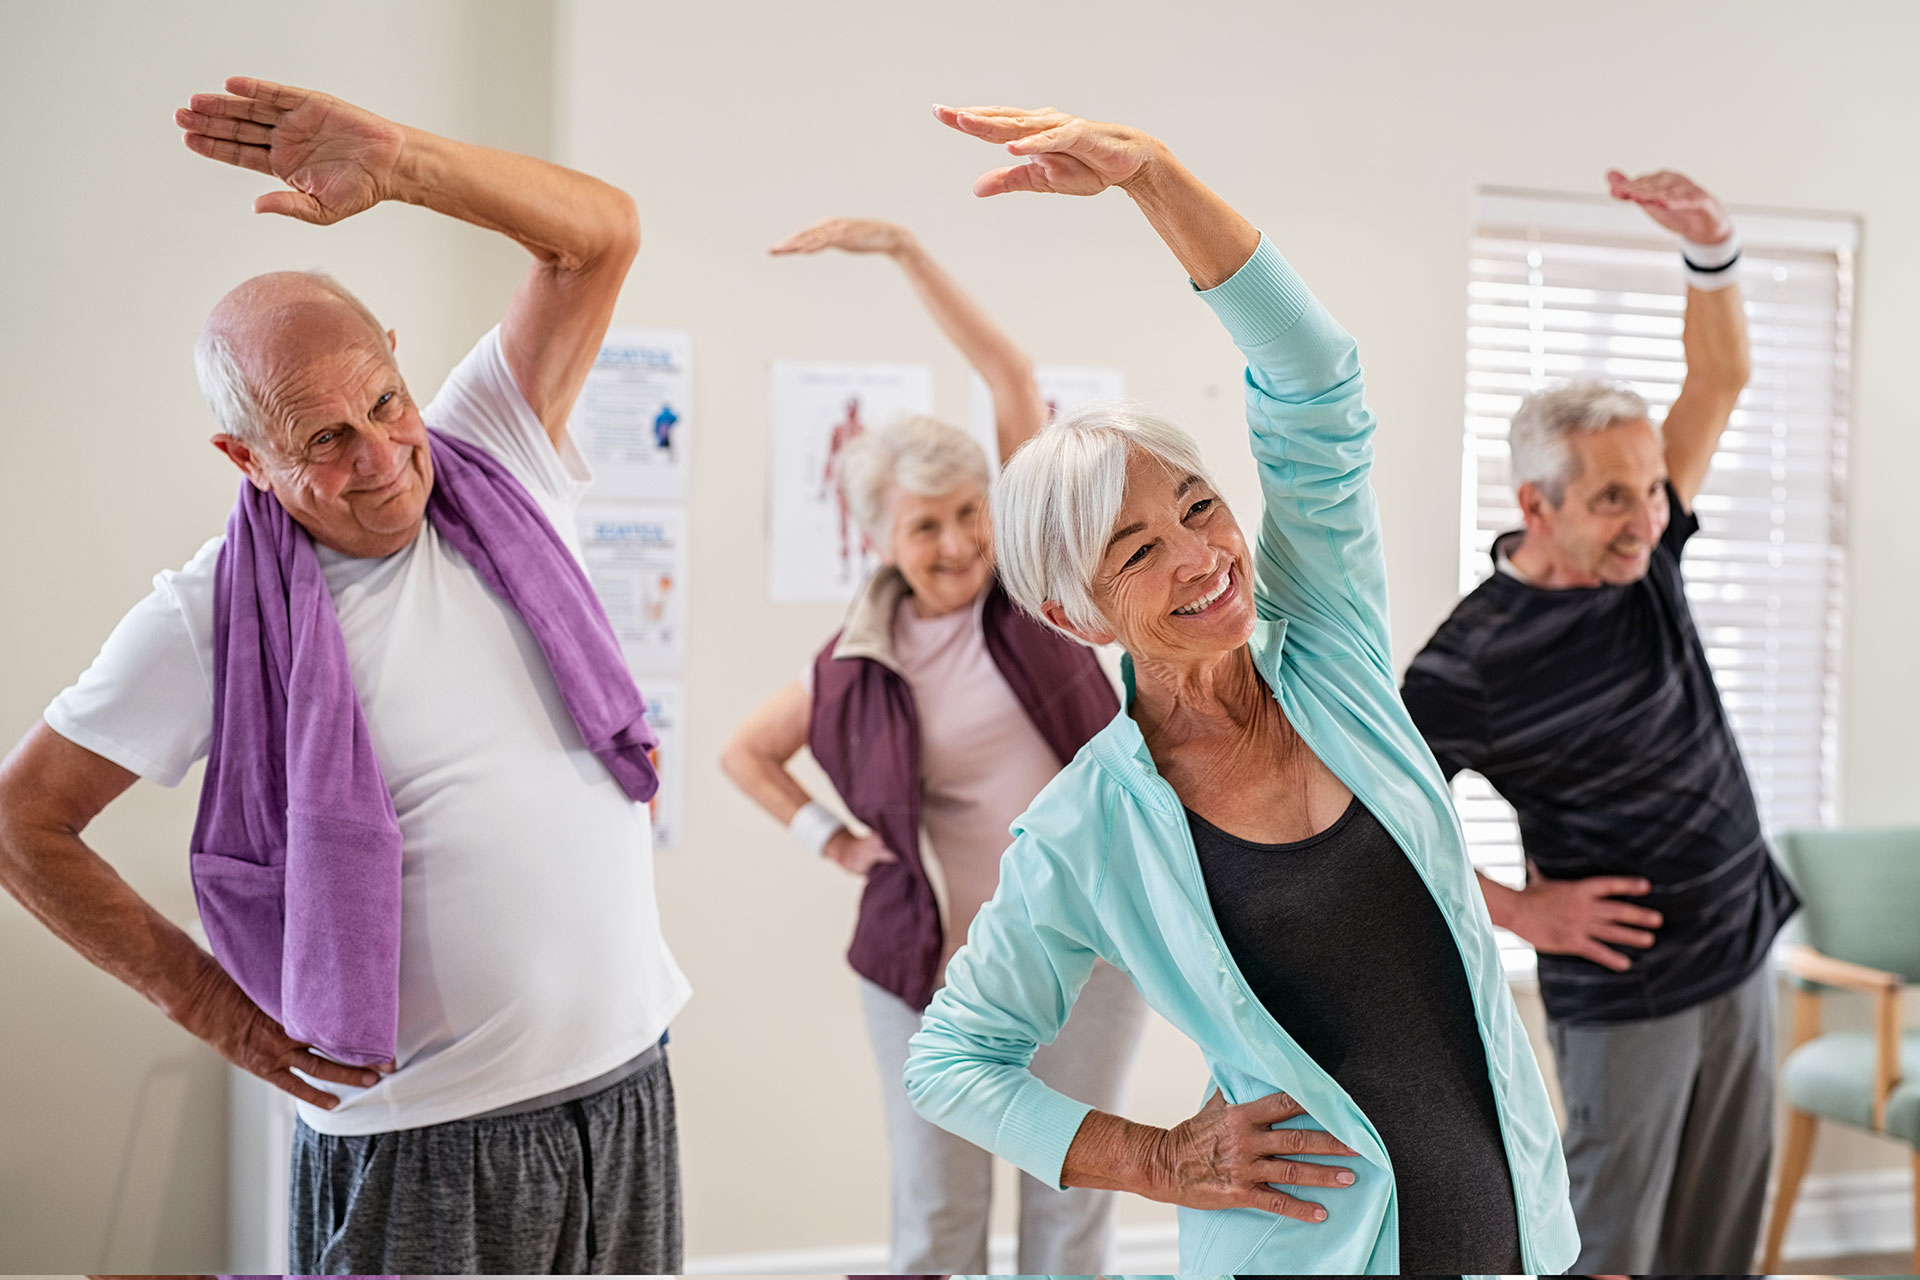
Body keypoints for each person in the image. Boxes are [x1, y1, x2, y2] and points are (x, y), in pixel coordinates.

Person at [0, 78, 690, 1273]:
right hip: (424, 1140)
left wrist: (405, 163)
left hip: (625, 1087)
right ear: (246, 456)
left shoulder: (496, 452)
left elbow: (601, 236)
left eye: (385, 403)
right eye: (324, 439)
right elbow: (23, 823)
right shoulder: (208, 611)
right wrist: (216, 1008)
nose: (383, 461)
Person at [901, 104, 1579, 1277]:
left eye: (1198, 506)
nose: (1200, 555)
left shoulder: (1332, 653)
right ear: (1076, 613)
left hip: (1506, 1217)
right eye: (1134, 550)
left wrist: (1152, 176)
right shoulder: (1088, 824)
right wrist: (1156, 1159)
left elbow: (1314, 376)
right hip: (1300, 1250)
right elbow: (952, 1059)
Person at [722, 216, 1149, 1276]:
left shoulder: (1035, 597)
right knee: (934, 1221)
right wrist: (828, 836)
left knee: (1072, 1204)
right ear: (878, 538)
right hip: (932, 971)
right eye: (926, 526)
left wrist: (909, 256)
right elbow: (746, 752)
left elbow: (1009, 377)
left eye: (969, 514)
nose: (957, 542)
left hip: (1086, 951)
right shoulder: (853, 663)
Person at [1400, 169, 1796, 1275]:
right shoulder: (1466, 663)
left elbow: (1719, 376)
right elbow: (1374, 828)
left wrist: (1711, 246)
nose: (1648, 520)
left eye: (1653, 491)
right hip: (1630, 991)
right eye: (1616, 498)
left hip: (1741, 938)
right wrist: (1522, 910)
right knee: (1607, 1250)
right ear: (1537, 505)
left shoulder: (1645, 554)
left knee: (1723, 1241)